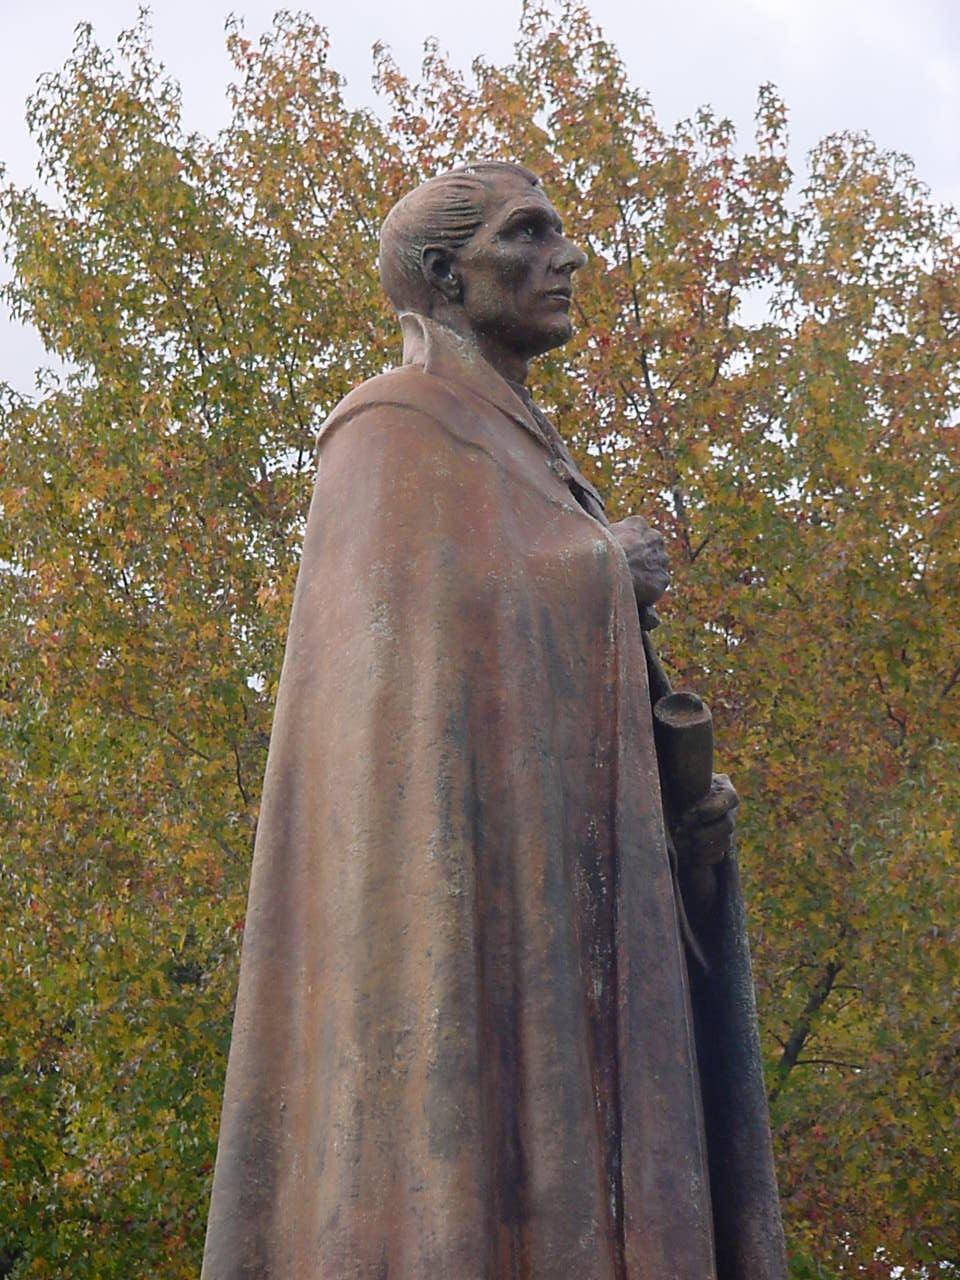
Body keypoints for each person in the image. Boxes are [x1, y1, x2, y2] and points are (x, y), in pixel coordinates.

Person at [202, 161, 787, 1279]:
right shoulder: (386, 430)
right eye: (527, 237)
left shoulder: (534, 455)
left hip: (569, 919)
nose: (566, 258)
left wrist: (682, 822)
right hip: (456, 931)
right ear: (443, 277)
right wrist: (600, 568)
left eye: (559, 233)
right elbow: (413, 668)